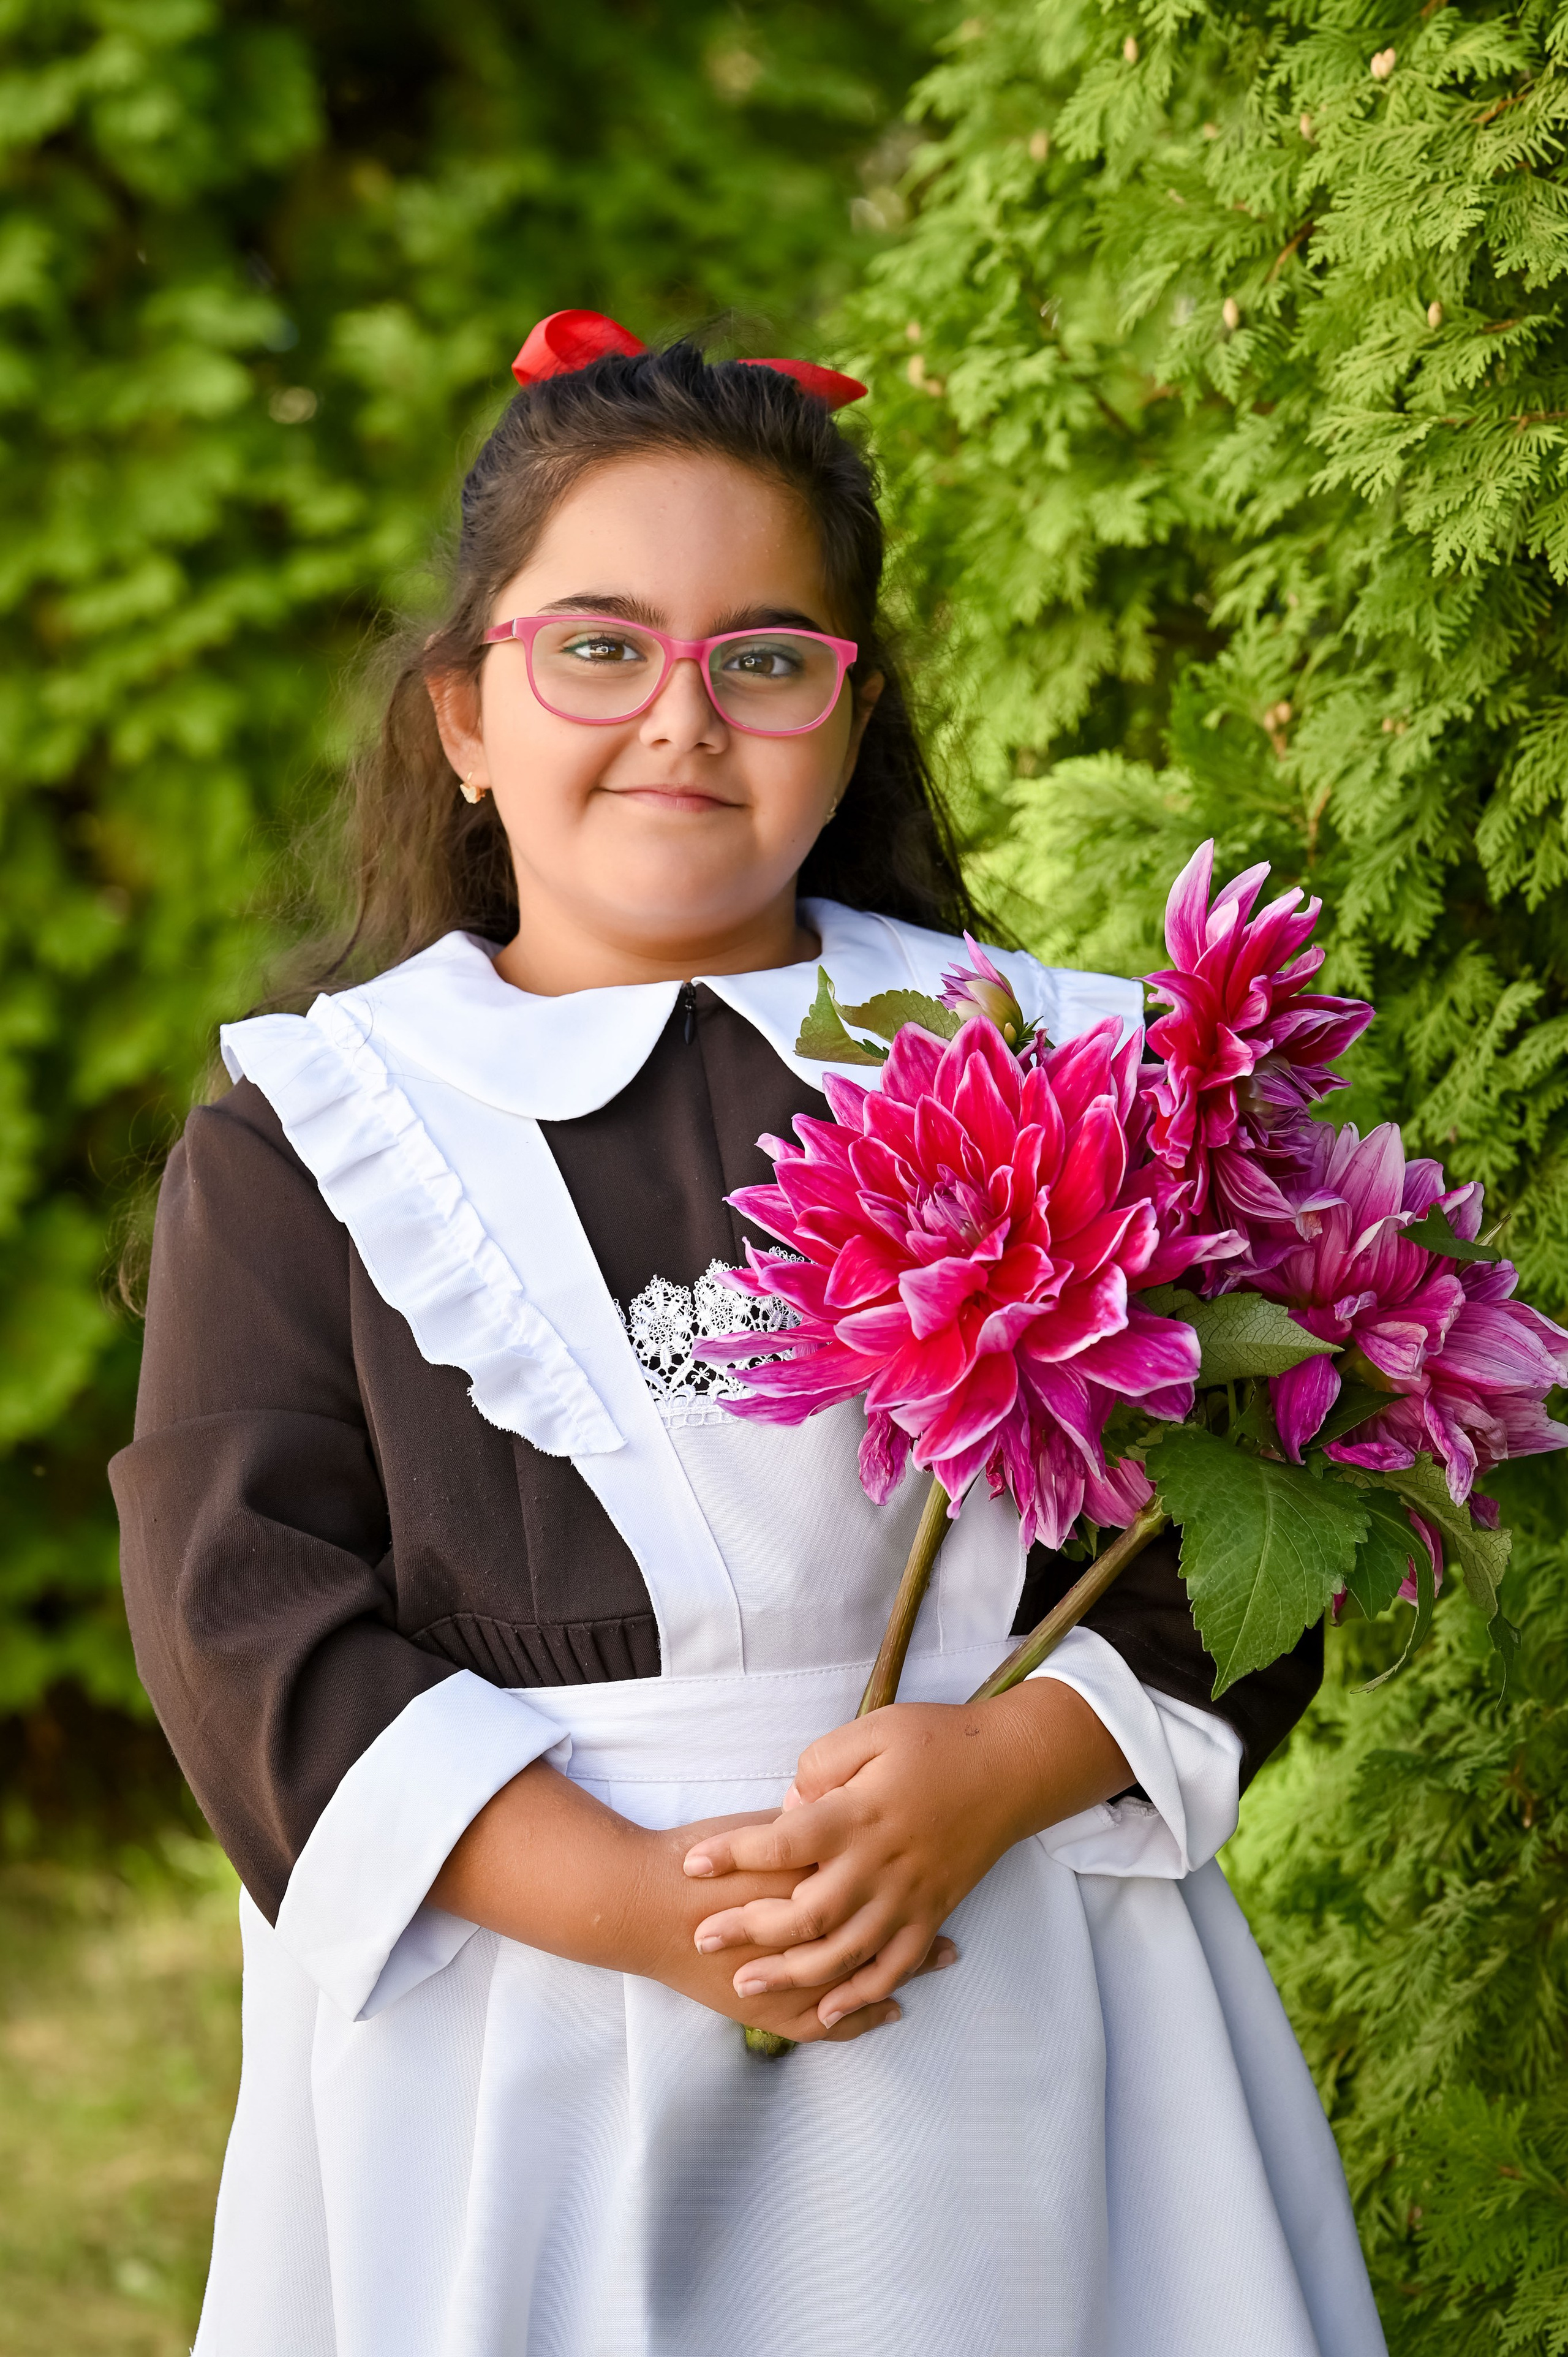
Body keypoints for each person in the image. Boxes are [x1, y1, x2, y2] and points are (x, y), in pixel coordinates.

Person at [110, 313, 1387, 2357]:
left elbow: (1236, 1539)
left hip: (1015, 1963)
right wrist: (648, 1914)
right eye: (597, 648)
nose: (681, 722)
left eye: (765, 658)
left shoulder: (1068, 1064)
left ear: (850, 715)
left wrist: (998, 1770)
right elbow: (245, 1616)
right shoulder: (319, 1132)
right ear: (462, 713)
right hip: (528, 2003)